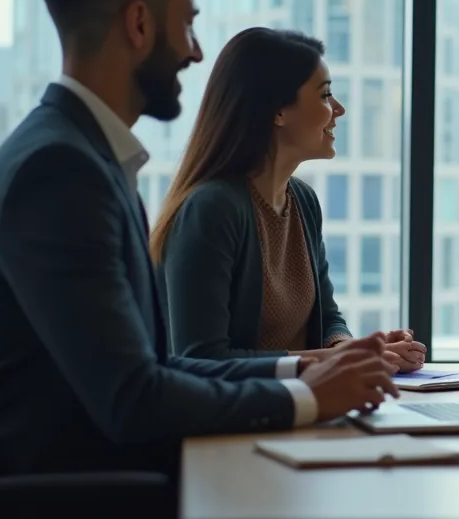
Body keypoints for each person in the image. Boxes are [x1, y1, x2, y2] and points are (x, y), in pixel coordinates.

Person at [0, 0, 400, 484]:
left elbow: (155, 366)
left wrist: (305, 367)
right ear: (139, 24)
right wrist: (304, 398)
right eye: (188, 27)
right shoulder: (60, 172)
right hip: (86, 493)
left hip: (112, 472)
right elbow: (134, 398)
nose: (196, 54)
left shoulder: (79, 156)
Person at [150, 27, 426, 372]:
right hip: (232, 422)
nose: (338, 109)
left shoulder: (304, 201)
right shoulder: (211, 209)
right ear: (278, 111)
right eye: (325, 95)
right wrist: (338, 359)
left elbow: (327, 317)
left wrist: (355, 348)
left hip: (300, 410)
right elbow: (201, 359)